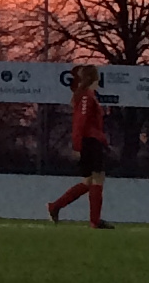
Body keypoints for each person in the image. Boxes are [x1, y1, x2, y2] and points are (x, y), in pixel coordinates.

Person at [47, 62, 110, 227]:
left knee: (89, 181)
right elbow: (80, 122)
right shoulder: (86, 96)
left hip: (92, 141)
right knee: (97, 179)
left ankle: (55, 206)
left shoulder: (88, 95)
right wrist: (77, 145)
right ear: (94, 77)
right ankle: (95, 221)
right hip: (90, 142)